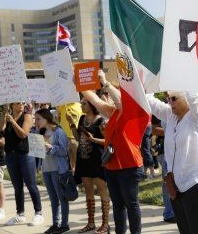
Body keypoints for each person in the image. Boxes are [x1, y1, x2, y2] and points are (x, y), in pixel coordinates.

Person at [82, 70, 145, 234]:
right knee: (117, 204)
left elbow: (121, 102)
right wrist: (79, 85)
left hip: (129, 166)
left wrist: (105, 82)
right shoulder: (114, 112)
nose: (109, 96)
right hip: (112, 166)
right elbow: (94, 100)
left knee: (131, 203)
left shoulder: (136, 112)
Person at [147, 92, 198, 234]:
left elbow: (196, 98)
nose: (170, 102)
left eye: (174, 99)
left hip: (196, 184)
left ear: (186, 99)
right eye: (168, 99)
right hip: (176, 187)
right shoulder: (170, 116)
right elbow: (150, 101)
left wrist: (182, 77)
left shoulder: (196, 116)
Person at [67, 98, 110, 234]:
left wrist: (93, 139)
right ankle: (91, 223)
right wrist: (72, 124)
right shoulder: (82, 118)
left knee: (102, 190)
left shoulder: (100, 120)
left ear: (92, 105)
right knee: (88, 191)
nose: (81, 105)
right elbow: (78, 138)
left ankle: (105, 223)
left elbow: (108, 141)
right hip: (83, 159)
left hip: (97, 160)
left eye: (84, 103)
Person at [0, 102, 44, 226]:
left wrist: (13, 121)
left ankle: (38, 213)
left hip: (25, 154)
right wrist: (5, 112)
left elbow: (23, 134)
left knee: (31, 185)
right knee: (17, 186)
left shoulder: (27, 116)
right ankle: (20, 214)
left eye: (23, 103)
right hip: (11, 155)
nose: (22, 105)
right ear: (12, 105)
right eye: (18, 103)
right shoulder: (7, 116)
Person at [35, 109, 70, 234]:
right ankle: (56, 223)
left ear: (46, 118)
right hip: (46, 169)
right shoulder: (41, 132)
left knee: (62, 198)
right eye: (35, 119)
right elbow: (39, 152)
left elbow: (63, 151)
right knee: (53, 199)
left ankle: (64, 224)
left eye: (38, 119)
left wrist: (51, 147)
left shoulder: (58, 131)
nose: (36, 122)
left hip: (58, 169)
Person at [151, 114, 175, 223]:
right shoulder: (161, 108)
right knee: (168, 181)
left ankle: (177, 211)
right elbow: (152, 128)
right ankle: (169, 213)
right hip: (165, 150)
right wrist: (172, 132)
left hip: (180, 148)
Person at [57, 103, 82, 172]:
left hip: (75, 137)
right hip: (65, 138)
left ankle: (81, 179)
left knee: (79, 161)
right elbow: (58, 121)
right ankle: (73, 179)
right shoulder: (61, 106)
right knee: (71, 165)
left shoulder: (80, 105)